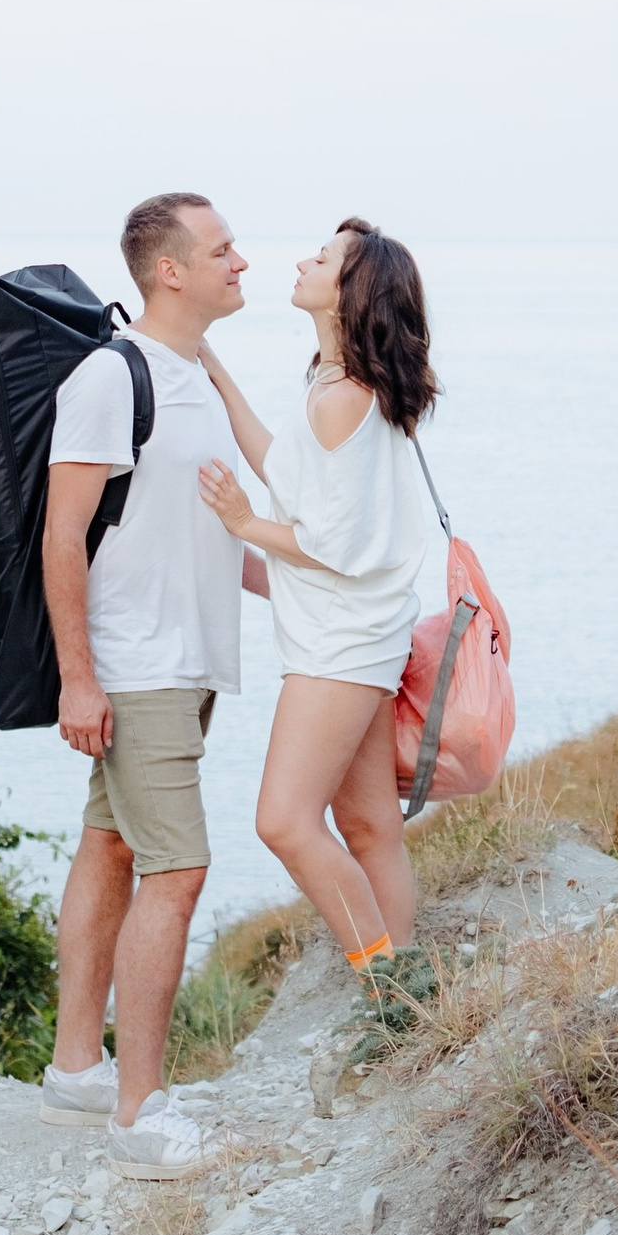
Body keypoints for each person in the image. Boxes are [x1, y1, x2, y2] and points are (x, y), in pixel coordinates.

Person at [38, 190, 257, 1176]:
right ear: (169, 270)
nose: (240, 262)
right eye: (221, 249)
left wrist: (317, 591)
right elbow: (62, 536)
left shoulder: (195, 375)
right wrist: (78, 679)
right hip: (137, 668)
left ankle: (77, 1072)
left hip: (188, 657)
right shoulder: (108, 377)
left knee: (114, 842)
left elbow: (201, 529)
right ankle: (139, 1116)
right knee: (179, 868)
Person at [195, 216, 437, 1009]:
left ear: (350, 289)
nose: (303, 260)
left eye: (324, 257)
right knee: (367, 826)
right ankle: (407, 999)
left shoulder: (344, 397)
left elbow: (329, 544)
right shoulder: (342, 388)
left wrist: (241, 524)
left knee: (284, 821)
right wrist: (214, 368)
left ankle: (392, 996)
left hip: (340, 644)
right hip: (364, 635)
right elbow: (283, 469)